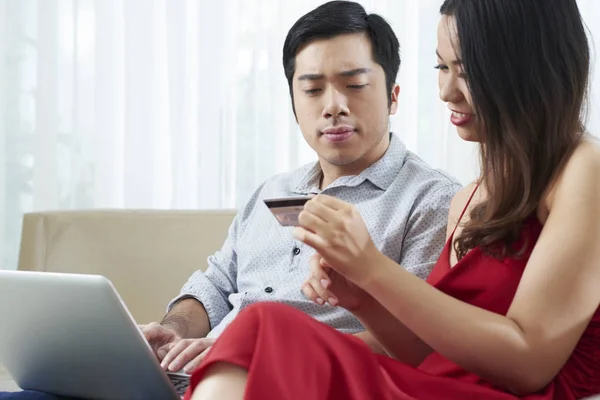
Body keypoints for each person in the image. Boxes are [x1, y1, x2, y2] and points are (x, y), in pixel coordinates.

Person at [0, 2, 460, 399]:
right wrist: (173, 333)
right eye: (313, 88)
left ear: (393, 96)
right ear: (294, 103)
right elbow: (215, 285)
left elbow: (413, 343)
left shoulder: (432, 200)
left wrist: (244, 353)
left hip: (289, 384)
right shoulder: (270, 192)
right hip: (195, 376)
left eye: (355, 85)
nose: (333, 105)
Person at [183, 0, 600, 399]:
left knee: (264, 328)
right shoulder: (471, 197)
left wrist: (371, 268)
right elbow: (427, 352)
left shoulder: (584, 168)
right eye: (442, 67)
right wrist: (359, 296)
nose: (446, 91)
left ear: (530, 67)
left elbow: (529, 363)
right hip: (430, 383)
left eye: (469, 71)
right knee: (263, 328)